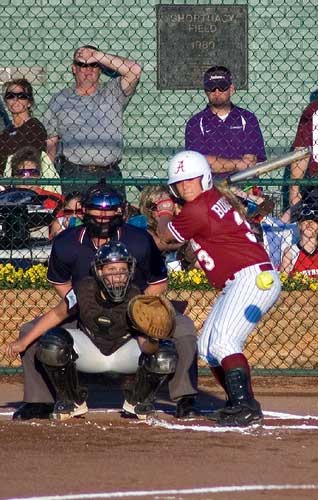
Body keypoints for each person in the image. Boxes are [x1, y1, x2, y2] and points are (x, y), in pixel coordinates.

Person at [12, 182, 198, 421]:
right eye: (96, 209)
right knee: (31, 331)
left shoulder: (139, 240)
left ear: (120, 211)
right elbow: (59, 282)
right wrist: (82, 304)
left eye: (110, 210)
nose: (103, 216)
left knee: (183, 329)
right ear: (83, 211)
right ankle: (39, 401)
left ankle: (186, 398)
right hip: (86, 309)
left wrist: (139, 309)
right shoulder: (67, 242)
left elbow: (159, 281)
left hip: (135, 308)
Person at [157, 150, 282, 427]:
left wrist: (164, 211)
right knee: (208, 348)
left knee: (225, 342)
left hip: (252, 278)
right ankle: (237, 401)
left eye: (191, 180)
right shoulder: (210, 199)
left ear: (205, 179)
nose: (185, 186)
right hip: (240, 280)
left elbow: (166, 239)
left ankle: (245, 405)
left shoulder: (198, 208)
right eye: (179, 183)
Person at [4, 241, 177, 421]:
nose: (118, 276)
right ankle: (72, 401)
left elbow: (145, 345)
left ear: (130, 271)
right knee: (52, 343)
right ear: (99, 271)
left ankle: (138, 401)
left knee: (164, 352)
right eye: (111, 270)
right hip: (90, 349)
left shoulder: (137, 297)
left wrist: (153, 341)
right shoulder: (82, 289)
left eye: (122, 270)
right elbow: (56, 314)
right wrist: (23, 342)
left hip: (124, 351)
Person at [45, 45, 142, 194]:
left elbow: (134, 70)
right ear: (74, 69)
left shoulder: (113, 91)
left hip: (109, 174)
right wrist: (48, 179)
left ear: (100, 68)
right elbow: (51, 142)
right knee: (72, 216)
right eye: (82, 65)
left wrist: (97, 55)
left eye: (93, 65)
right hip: (74, 174)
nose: (88, 70)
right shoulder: (60, 99)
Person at [185, 65, 266, 176]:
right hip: (210, 188)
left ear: (231, 89)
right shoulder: (195, 123)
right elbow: (199, 162)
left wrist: (217, 163)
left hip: (242, 186)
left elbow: (250, 162)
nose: (217, 92)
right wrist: (237, 164)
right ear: (205, 91)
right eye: (211, 87)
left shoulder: (247, 118)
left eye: (222, 87)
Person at [0, 79, 47, 175]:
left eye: (21, 96)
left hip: (26, 179)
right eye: (10, 96)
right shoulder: (7, 131)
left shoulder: (35, 128)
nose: (15, 100)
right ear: (6, 101)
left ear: (29, 102)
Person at [280, 191, 318, 278]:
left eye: (315, 221)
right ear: (299, 225)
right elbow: (283, 283)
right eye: (305, 220)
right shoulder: (291, 252)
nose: (310, 224)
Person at [290, 100, 318, 206]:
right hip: (316, 181)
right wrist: (294, 191)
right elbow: (302, 150)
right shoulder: (314, 109)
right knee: (308, 220)